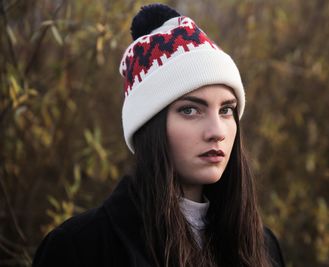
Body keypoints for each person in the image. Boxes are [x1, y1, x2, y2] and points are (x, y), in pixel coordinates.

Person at [32, 3, 285, 267]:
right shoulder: (79, 249)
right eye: (190, 110)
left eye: (226, 110)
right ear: (148, 125)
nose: (217, 132)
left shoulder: (263, 247)